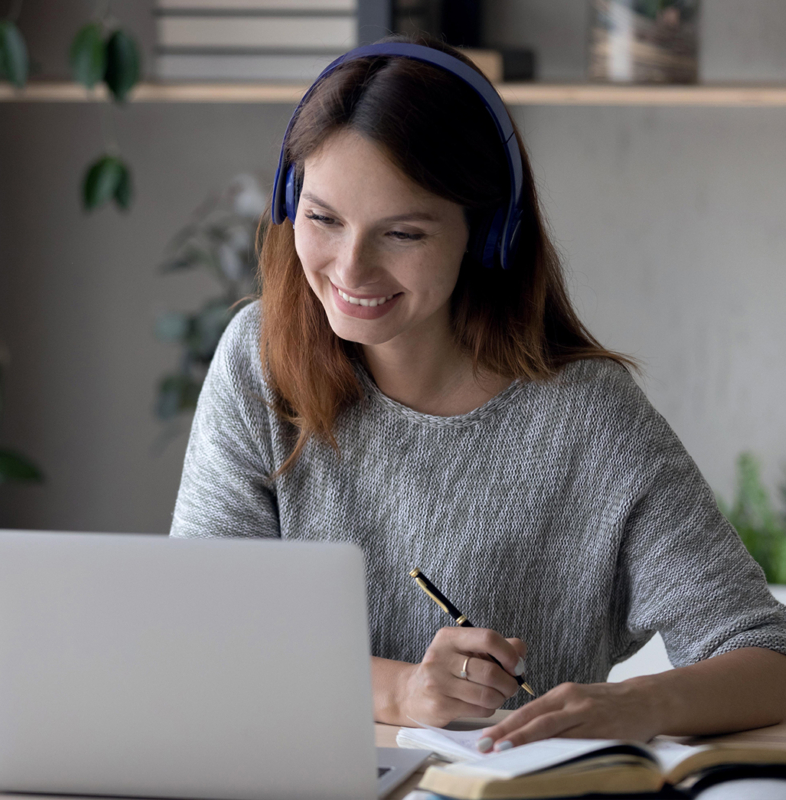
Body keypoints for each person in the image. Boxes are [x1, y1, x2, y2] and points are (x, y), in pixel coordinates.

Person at [169, 34, 786, 752]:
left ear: (488, 235)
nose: (351, 268)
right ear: (288, 202)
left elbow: (764, 654)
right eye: (324, 218)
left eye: (402, 233)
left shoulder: (589, 417)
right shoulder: (260, 358)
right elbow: (202, 630)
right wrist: (402, 690)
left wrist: (634, 706)